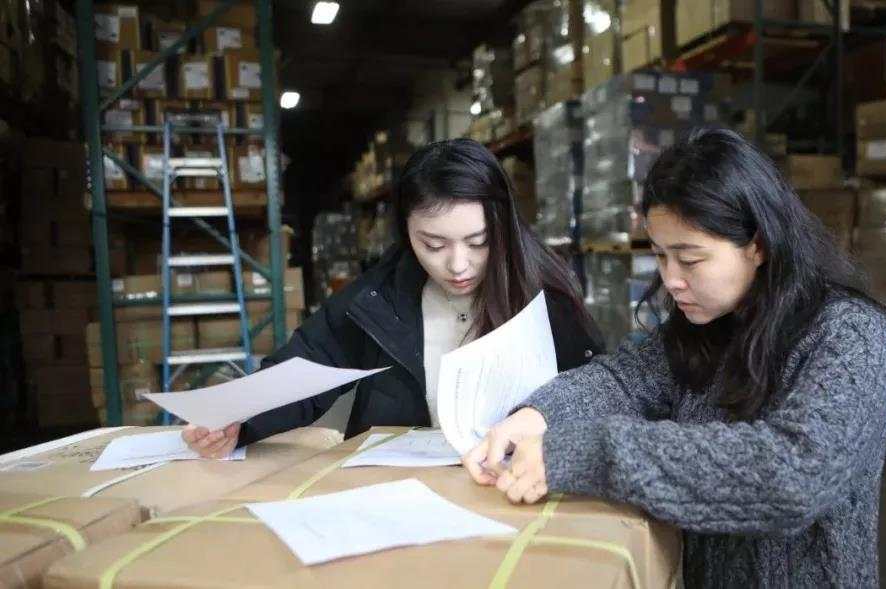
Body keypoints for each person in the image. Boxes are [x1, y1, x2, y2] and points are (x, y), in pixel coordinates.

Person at [464, 129, 886, 587]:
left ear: (758, 244)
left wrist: (589, 452)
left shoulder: (851, 335)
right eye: (660, 256)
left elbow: (794, 475)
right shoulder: (708, 323)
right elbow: (623, 380)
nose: (671, 280)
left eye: (690, 260)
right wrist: (538, 415)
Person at [183, 138, 603, 457]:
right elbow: (304, 369)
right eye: (434, 245)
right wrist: (238, 418)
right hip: (403, 493)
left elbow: (594, 393)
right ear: (406, 232)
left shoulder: (546, 296)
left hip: (516, 489)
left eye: (479, 242)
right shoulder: (377, 299)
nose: (458, 265)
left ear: (503, 228)